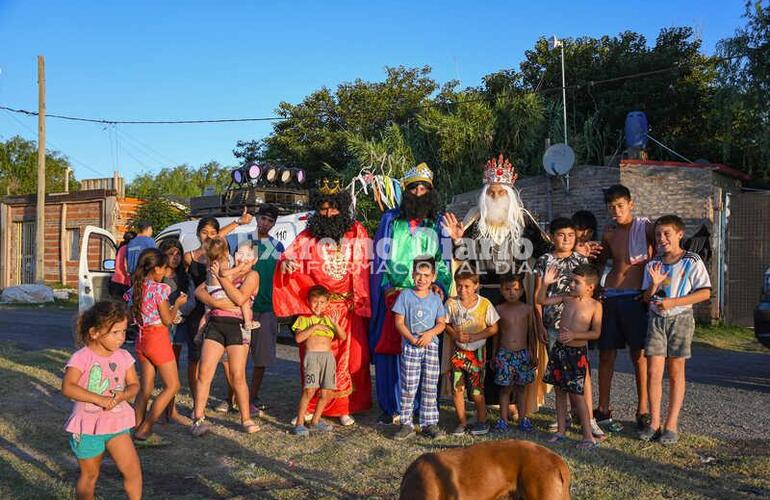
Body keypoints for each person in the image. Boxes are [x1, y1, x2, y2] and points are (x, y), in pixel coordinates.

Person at [442, 154, 549, 414]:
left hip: (515, 294)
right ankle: (486, 400)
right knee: (487, 349)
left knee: (514, 346)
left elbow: (546, 250)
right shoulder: (475, 219)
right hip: (482, 296)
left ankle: (514, 403)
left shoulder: (522, 220)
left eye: (502, 192)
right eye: (492, 192)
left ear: (509, 194)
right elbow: (459, 258)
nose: (496, 196)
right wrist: (457, 241)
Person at [274, 179, 372, 426]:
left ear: (342, 208)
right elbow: (289, 255)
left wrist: (361, 300)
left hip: (347, 309)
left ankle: (343, 408)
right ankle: (310, 405)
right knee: (315, 358)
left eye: (333, 208)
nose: (328, 214)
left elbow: (363, 268)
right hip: (318, 309)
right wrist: (286, 264)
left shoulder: (356, 231)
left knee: (351, 361)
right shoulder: (307, 236)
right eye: (324, 209)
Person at [369, 162, 452, 425]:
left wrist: (441, 284)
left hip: (426, 294)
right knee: (390, 350)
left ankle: (422, 407)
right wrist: (384, 288)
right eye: (414, 187)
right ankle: (391, 406)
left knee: (424, 347)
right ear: (406, 191)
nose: (419, 191)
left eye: (424, 187)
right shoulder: (391, 219)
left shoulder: (438, 222)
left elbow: (445, 258)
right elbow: (380, 257)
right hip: (394, 293)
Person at [639, 215, 711, 445]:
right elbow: (645, 297)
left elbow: (705, 292)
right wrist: (653, 285)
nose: (662, 238)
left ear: (680, 234)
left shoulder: (692, 260)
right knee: (653, 371)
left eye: (667, 233)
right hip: (656, 320)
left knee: (676, 371)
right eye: (658, 234)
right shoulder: (653, 264)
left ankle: (671, 424)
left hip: (680, 319)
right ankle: (654, 422)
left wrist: (674, 302)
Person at [61, 301, 142, 500]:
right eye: (115, 333)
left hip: (117, 423)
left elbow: (134, 385)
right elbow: (68, 387)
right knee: (90, 475)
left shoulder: (124, 357)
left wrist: (123, 395)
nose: (121, 338)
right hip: (87, 427)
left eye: (124, 332)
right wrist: (99, 399)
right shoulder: (82, 357)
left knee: (133, 471)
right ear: (94, 332)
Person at [534, 218, 603, 438]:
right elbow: (539, 298)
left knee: (583, 378)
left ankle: (589, 420)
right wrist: (539, 324)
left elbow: (591, 288)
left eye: (571, 235)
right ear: (551, 236)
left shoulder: (580, 259)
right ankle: (562, 420)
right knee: (559, 377)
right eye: (561, 235)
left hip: (577, 329)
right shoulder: (545, 260)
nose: (566, 239)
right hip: (553, 325)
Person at [595, 185, 655, 432]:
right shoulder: (609, 233)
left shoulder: (647, 228)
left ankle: (643, 410)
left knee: (638, 355)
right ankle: (603, 408)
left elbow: (664, 250)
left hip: (636, 297)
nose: (616, 211)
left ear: (631, 203)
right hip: (610, 295)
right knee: (606, 354)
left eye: (620, 205)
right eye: (611, 207)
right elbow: (600, 262)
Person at [182, 211, 253, 413]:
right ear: (197, 234)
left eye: (213, 232)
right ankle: (198, 402)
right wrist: (213, 302)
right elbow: (194, 288)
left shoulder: (221, 257)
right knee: (196, 360)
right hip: (200, 310)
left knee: (228, 362)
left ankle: (232, 400)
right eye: (204, 232)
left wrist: (238, 222)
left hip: (223, 313)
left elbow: (217, 244)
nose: (209, 236)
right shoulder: (190, 257)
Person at [191, 241, 260, 436]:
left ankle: (245, 418)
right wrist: (214, 301)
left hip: (237, 327)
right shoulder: (225, 270)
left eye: (247, 256)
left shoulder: (252, 275)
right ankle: (198, 417)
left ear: (253, 260)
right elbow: (199, 291)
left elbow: (240, 299)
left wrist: (224, 281)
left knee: (237, 375)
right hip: (215, 324)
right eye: (239, 254)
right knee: (204, 372)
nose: (242, 259)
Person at [124, 248, 186, 444]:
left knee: (146, 387)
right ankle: (146, 428)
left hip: (142, 338)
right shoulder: (160, 290)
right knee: (173, 385)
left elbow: (129, 316)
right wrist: (177, 304)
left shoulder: (136, 288)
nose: (167, 271)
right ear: (157, 269)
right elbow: (167, 320)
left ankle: (135, 426)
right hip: (157, 337)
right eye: (165, 268)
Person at [539, 264, 603, 449]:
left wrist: (576, 335)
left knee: (578, 395)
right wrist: (545, 283)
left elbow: (596, 333)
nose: (572, 285)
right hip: (560, 350)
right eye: (571, 281)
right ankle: (560, 431)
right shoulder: (567, 299)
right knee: (559, 391)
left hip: (577, 354)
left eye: (577, 282)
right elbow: (541, 300)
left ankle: (588, 436)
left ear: (590, 287)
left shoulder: (595, 306)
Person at [392, 256, 448, 441]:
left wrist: (430, 334)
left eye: (426, 275)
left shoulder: (435, 299)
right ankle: (406, 423)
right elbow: (398, 322)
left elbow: (441, 324)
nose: (422, 279)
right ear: (413, 274)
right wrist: (410, 338)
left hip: (430, 346)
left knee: (430, 385)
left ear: (433, 277)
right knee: (409, 385)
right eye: (418, 274)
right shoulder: (405, 295)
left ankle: (428, 423)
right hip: (411, 346)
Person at [445, 270, 500, 436]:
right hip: (458, 353)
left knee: (477, 390)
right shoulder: (451, 304)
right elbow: (445, 323)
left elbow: (494, 328)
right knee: (457, 388)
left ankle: (482, 421)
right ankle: (461, 422)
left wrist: (476, 336)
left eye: (467, 286)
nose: (463, 290)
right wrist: (454, 334)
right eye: (459, 286)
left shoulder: (484, 304)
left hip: (478, 354)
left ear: (476, 286)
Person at [291, 286, 346, 436]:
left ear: (327, 303)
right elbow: (298, 338)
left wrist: (335, 324)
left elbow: (343, 337)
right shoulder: (304, 319)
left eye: (322, 302)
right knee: (309, 391)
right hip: (312, 358)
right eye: (315, 302)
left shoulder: (329, 320)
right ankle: (300, 423)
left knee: (326, 393)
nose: (318, 306)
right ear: (308, 302)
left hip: (328, 358)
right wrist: (315, 326)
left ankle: (315, 421)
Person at [249, 204, 284, 413]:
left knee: (261, 358)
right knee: (236, 356)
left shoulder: (278, 247)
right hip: (244, 307)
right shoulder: (244, 241)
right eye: (263, 218)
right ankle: (230, 397)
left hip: (268, 308)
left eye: (270, 221)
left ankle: (252, 397)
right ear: (256, 218)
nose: (265, 223)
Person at [158, 239, 197, 425]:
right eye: (170, 253)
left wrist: (179, 312)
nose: (175, 258)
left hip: (177, 326)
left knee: (173, 369)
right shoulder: (156, 275)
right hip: (158, 327)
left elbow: (191, 300)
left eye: (178, 254)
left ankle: (171, 410)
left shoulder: (184, 276)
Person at [492, 274, 537, 433]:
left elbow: (532, 333)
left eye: (516, 289)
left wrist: (533, 352)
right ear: (502, 291)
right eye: (508, 289)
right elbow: (496, 334)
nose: (512, 292)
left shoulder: (527, 309)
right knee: (504, 389)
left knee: (521, 389)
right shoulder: (499, 309)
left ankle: (523, 418)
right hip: (504, 355)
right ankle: (502, 420)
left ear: (522, 290)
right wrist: (494, 355)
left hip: (523, 354)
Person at [109, 231, 136, 299]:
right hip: (124, 282)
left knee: (116, 307)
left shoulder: (121, 248)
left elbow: (116, 264)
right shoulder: (129, 248)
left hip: (115, 281)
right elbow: (125, 264)